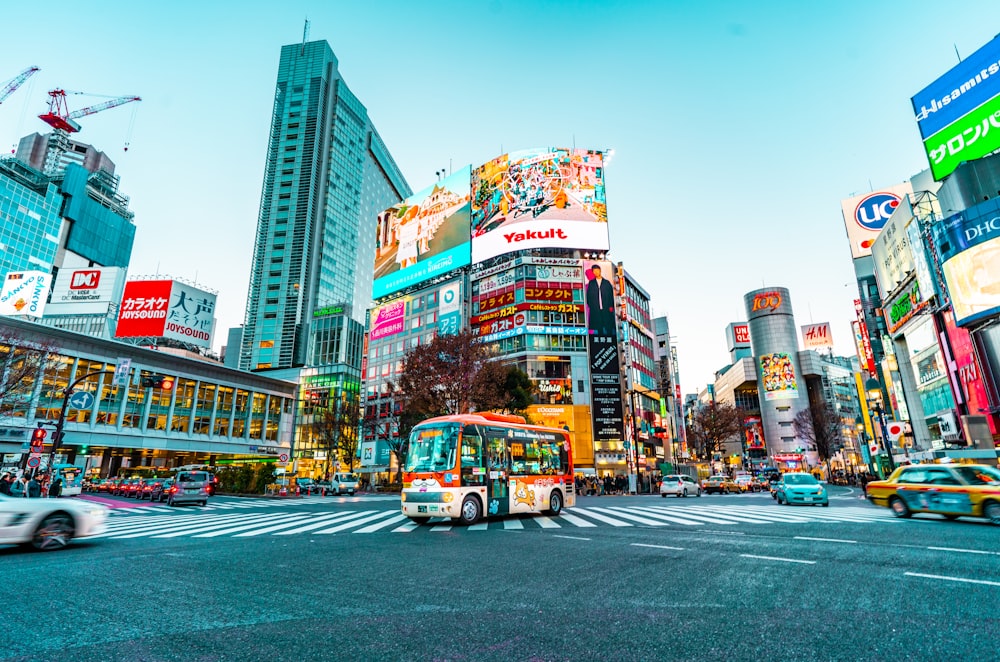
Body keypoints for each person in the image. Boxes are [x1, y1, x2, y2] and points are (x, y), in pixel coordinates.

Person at [585, 264, 616, 337]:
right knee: (598, 326)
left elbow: (611, 295)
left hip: (606, 307)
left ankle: (610, 337)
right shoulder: (591, 283)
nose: (596, 273)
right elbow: (588, 296)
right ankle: (600, 338)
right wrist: (591, 306)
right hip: (596, 308)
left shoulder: (606, 283)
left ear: (600, 271)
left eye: (597, 271)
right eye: (594, 271)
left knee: (608, 324)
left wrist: (611, 305)